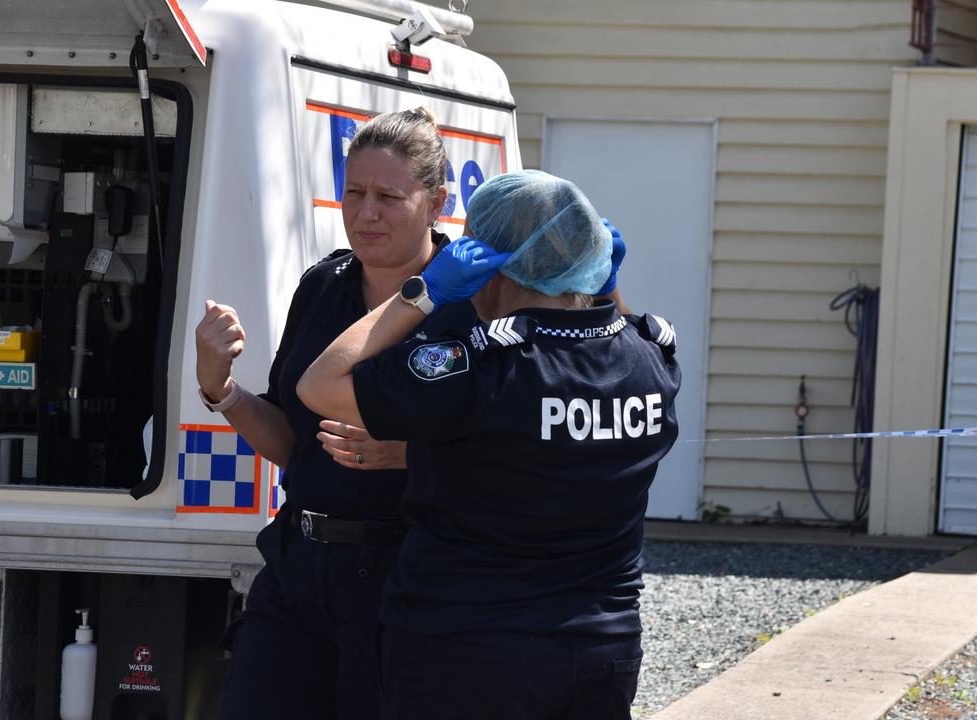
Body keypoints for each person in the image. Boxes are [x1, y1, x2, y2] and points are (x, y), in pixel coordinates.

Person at [297, 169, 680, 719]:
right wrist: (603, 284)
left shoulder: (484, 368)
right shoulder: (652, 359)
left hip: (469, 650)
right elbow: (604, 336)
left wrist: (421, 293)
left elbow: (320, 383)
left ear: (491, 267)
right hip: (603, 649)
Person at [194, 108, 474, 719]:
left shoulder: (471, 303)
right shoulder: (323, 287)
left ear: (437, 201)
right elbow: (297, 443)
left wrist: (409, 454)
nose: (365, 212)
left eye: (387, 196)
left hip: (408, 578)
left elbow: (516, 448)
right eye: (353, 192)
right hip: (299, 567)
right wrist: (222, 390)